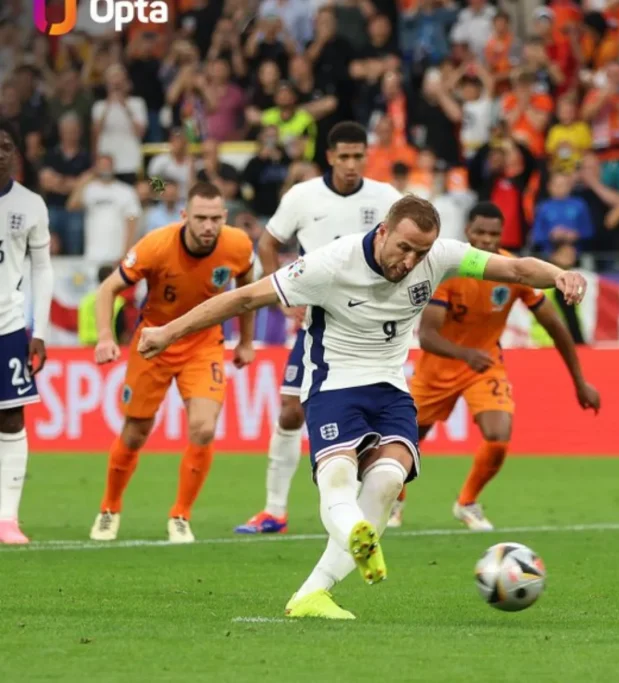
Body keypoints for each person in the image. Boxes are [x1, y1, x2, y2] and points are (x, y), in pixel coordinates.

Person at [136, 195, 588, 620]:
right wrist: (168, 332)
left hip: (391, 388)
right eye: (404, 248)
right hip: (334, 386)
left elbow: (517, 269)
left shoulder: (441, 256)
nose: (410, 261)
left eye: (420, 252)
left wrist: (559, 275)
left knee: (389, 481)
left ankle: (313, 593)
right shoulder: (330, 264)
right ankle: (354, 530)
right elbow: (244, 297)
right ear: (384, 231)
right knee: (338, 478)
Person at [233, 121, 403, 536]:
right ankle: (274, 511)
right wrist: (283, 295)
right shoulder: (302, 196)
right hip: (319, 324)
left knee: (370, 413)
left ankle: (377, 499)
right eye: (343, 156)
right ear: (329, 157)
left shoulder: (386, 198)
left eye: (358, 156)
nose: (351, 164)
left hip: (369, 327)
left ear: (367, 156)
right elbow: (268, 243)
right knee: (290, 410)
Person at [389, 202, 600, 530]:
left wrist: (579, 381)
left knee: (499, 435)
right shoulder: (449, 271)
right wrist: (465, 354)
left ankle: (467, 502)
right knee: (406, 442)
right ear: (467, 232)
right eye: (480, 232)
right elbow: (428, 336)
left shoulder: (511, 270)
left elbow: (555, 327)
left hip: (484, 365)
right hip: (438, 368)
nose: (487, 240)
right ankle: (395, 500)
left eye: (494, 234)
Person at [89, 182, 257, 543]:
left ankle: (180, 515)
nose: (208, 226)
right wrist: (105, 336)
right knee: (136, 432)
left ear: (224, 217)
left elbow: (247, 291)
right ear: (184, 216)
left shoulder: (238, 245)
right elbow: (108, 288)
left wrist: (245, 340)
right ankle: (109, 507)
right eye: (200, 218)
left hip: (203, 343)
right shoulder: (155, 245)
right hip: (154, 342)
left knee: (203, 429)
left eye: (215, 218)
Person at [0, 121, 54, 545]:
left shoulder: (31, 204)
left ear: (16, 153)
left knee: (12, 417)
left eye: (5, 145)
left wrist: (41, 329)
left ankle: (7, 519)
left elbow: (42, 269)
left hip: (8, 326)